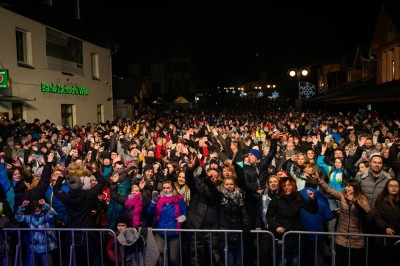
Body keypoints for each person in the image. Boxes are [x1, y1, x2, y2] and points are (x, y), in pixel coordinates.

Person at [316, 176, 371, 266]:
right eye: (346, 186)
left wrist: (355, 201)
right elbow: (329, 190)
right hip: (341, 236)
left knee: (355, 262)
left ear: (355, 187)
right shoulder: (342, 196)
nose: (346, 188)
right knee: (340, 261)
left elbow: (367, 210)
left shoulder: (361, 198)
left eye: (349, 186)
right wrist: (319, 180)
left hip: (356, 238)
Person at [266, 176, 318, 266]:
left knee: (295, 261)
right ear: (281, 187)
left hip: (295, 234)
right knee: (283, 261)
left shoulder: (298, 197)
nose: (287, 187)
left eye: (289, 185)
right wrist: (276, 226)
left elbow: (313, 210)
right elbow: (269, 215)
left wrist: (312, 199)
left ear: (293, 186)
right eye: (284, 185)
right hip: (282, 234)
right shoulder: (277, 199)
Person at [147, 180, 186, 266]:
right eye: (164, 188)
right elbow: (149, 212)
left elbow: (184, 212)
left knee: (174, 258)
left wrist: (183, 217)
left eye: (168, 188)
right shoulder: (158, 199)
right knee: (160, 257)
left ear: (172, 188)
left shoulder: (179, 200)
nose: (166, 190)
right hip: (160, 232)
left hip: (174, 232)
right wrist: (153, 202)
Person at [15, 199, 58, 266]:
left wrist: (45, 204)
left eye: (38, 208)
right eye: (34, 208)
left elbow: (54, 213)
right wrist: (22, 206)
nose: (36, 210)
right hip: (34, 249)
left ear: (41, 208)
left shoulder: (46, 216)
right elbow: (18, 217)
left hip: (45, 249)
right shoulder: (30, 217)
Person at [218, 176, 249, 266]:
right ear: (223, 185)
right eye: (227, 184)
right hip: (225, 231)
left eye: (231, 184)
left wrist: (246, 223)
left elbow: (243, 211)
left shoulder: (239, 195)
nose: (229, 186)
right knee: (229, 261)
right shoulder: (219, 195)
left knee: (239, 262)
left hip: (237, 230)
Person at [255, 174, 280, 265]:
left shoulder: (282, 194)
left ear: (279, 183)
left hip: (279, 229)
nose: (273, 184)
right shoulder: (263, 194)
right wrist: (258, 225)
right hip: (266, 229)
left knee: (277, 255)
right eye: (271, 182)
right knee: (263, 254)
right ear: (268, 184)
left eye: (275, 181)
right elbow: (259, 210)